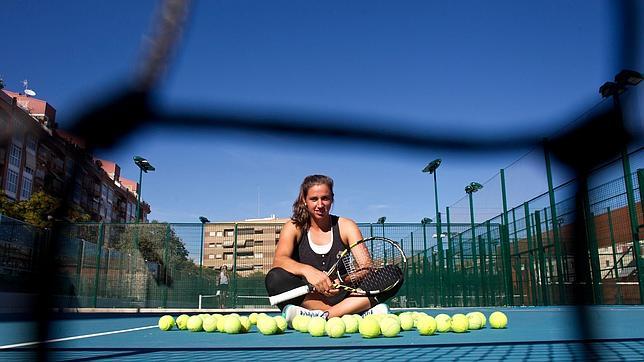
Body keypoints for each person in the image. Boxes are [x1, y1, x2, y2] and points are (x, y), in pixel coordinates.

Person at [265, 175, 399, 323]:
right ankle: (356, 313)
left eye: (325, 198)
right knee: (275, 278)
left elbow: (366, 266)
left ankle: (325, 315)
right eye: (314, 199)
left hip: (346, 296)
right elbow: (279, 260)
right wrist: (309, 272)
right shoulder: (293, 227)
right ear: (304, 200)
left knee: (393, 274)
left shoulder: (346, 225)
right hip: (310, 298)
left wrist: (342, 281)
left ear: (332, 199)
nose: (320, 204)